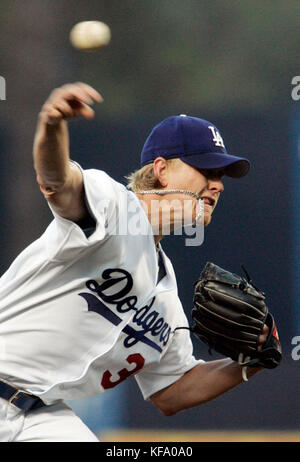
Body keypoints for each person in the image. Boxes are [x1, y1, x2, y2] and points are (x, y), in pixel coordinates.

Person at [0, 82, 269, 442]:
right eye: (207, 170)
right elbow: (56, 182)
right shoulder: (110, 205)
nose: (217, 185)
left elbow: (172, 390)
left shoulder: (165, 296)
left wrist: (250, 363)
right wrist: (51, 126)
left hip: (42, 414)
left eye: (220, 176)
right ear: (161, 170)